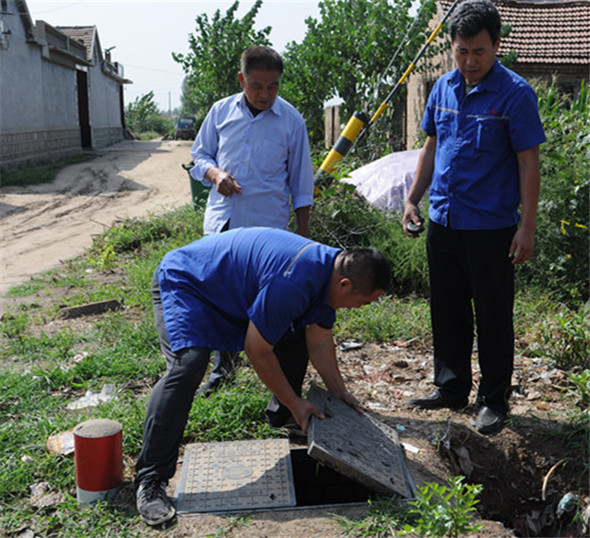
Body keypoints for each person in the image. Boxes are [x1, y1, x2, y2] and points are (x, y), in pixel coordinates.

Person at [134, 226, 392, 525]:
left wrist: (339, 392)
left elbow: (319, 339)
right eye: (363, 302)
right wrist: (295, 401)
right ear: (345, 285)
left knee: (295, 333)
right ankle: (150, 479)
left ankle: (283, 416)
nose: (359, 308)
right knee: (188, 365)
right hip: (188, 281)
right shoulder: (294, 280)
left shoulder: (329, 272)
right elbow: (257, 350)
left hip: (228, 290)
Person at [402, 0, 545, 435]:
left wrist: (526, 227)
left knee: (493, 314)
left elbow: (528, 163)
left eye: (479, 52)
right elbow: (431, 147)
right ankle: (451, 388)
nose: (469, 61)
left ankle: (493, 400)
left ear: (497, 45)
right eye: (461, 51)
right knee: (447, 309)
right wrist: (412, 199)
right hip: (444, 219)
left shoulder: (515, 94)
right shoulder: (443, 88)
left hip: (491, 226)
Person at [189, 45, 314, 395]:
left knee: (267, 303)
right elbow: (199, 154)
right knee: (222, 296)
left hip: (267, 229)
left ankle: (272, 377)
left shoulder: (291, 121)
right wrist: (215, 175)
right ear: (242, 80)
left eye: (273, 86)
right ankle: (222, 373)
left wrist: (303, 238)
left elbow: (302, 184)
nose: (265, 94)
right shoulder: (221, 112)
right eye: (257, 85)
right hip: (224, 223)